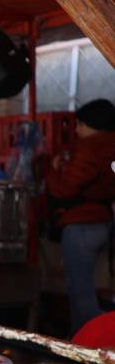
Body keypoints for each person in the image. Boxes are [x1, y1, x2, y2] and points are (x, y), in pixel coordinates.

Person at [46, 98, 115, 335]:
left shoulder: (90, 148)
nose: (76, 130)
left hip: (82, 224)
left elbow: (65, 188)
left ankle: (87, 344)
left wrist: (54, 170)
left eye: (80, 125)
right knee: (99, 287)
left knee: (81, 291)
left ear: (91, 125)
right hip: (105, 220)